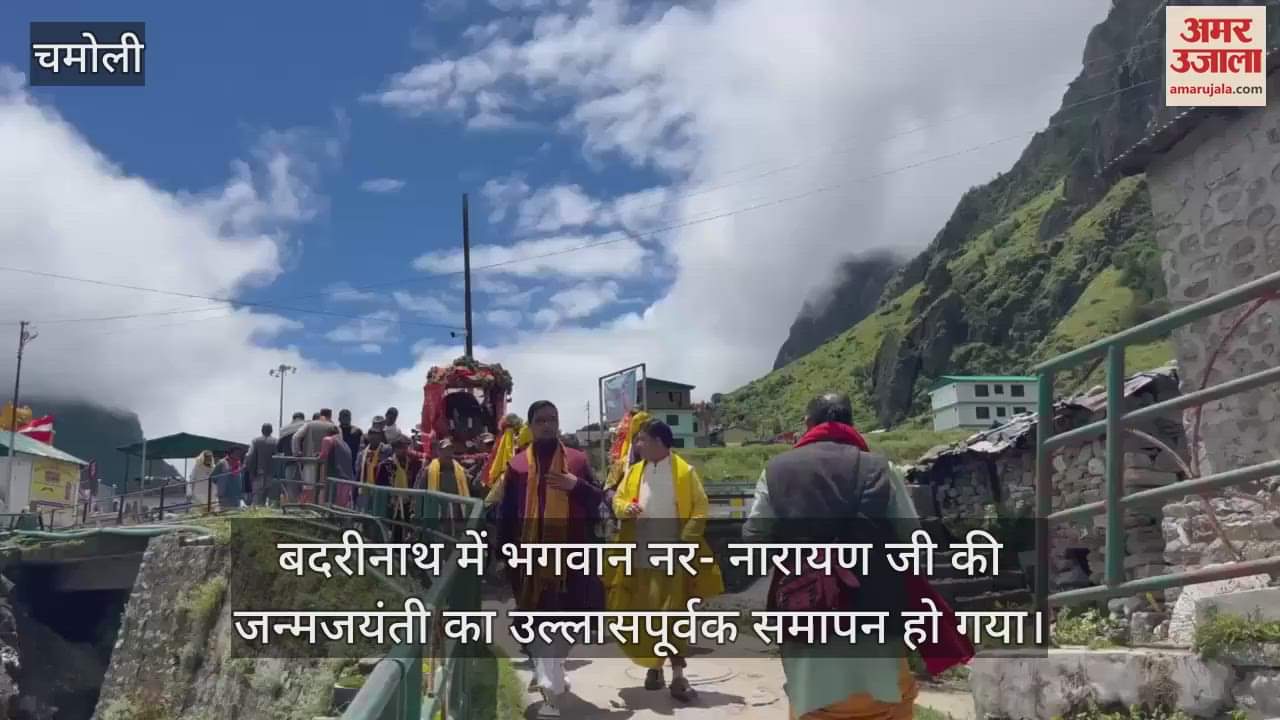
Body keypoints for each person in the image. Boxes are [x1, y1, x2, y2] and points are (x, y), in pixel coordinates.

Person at [742, 393, 924, 720]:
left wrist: (799, 561)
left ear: (808, 425)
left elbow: (754, 536)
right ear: (851, 424)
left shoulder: (777, 470)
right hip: (876, 610)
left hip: (805, 612)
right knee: (886, 701)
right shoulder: (882, 469)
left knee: (813, 702)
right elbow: (912, 538)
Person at [496, 400, 605, 718]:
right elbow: (506, 515)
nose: (548, 425)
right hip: (530, 562)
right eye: (541, 420)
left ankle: (553, 669)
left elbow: (599, 499)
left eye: (553, 419)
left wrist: (577, 485)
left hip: (572, 557)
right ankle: (549, 695)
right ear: (530, 425)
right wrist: (503, 554)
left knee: (572, 621)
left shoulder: (577, 460)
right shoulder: (517, 466)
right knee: (541, 621)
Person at [605, 420, 723, 701]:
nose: (637, 445)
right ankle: (654, 668)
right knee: (645, 617)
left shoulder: (684, 473)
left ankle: (678, 677)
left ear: (659, 442)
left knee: (674, 617)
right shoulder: (634, 471)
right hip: (639, 559)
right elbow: (618, 501)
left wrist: (685, 542)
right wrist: (626, 508)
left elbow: (700, 508)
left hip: (673, 558)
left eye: (642, 439)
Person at [376, 434, 423, 541]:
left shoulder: (414, 464)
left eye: (406, 447)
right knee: (393, 529)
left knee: (409, 529)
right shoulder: (386, 465)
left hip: (409, 502)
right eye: (401, 447)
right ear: (394, 449)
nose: (404, 450)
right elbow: (379, 485)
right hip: (391, 503)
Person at [293, 409, 338, 503]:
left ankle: (307, 509)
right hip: (326, 463)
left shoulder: (309, 424)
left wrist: (297, 453)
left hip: (309, 461)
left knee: (308, 487)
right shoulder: (333, 426)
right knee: (323, 488)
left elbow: (295, 437)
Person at [319, 425, 355, 507]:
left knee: (330, 505)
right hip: (347, 480)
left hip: (335, 478)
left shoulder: (328, 439)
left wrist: (317, 456)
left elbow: (322, 456)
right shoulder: (345, 444)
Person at [245, 423, 277, 507]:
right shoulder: (276, 441)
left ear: (262, 430)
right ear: (271, 431)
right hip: (273, 474)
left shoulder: (255, 441)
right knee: (271, 498)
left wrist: (248, 468)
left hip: (258, 474)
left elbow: (249, 455)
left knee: (257, 498)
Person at [278, 412, 307, 502]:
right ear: (303, 418)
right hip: (306, 463)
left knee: (291, 489)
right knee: (306, 488)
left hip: (289, 463)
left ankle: (292, 509)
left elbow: (279, 449)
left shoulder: (284, 430)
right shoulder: (306, 425)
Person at [338, 409, 364, 477]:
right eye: (344, 416)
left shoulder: (357, 432)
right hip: (338, 465)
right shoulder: (335, 431)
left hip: (353, 465)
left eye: (347, 416)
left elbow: (362, 448)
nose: (346, 419)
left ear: (350, 418)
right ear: (339, 418)